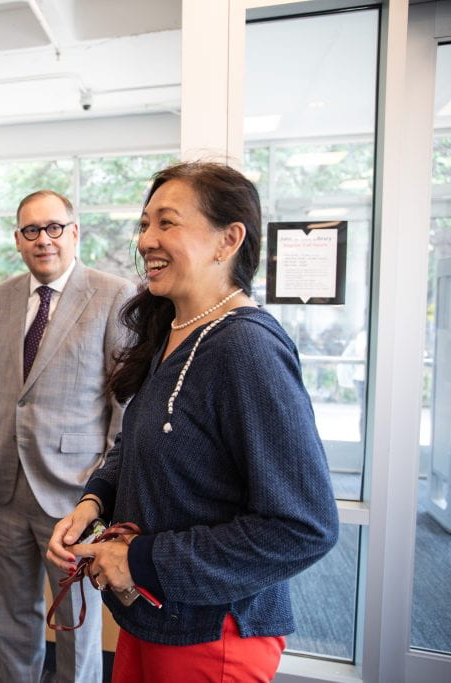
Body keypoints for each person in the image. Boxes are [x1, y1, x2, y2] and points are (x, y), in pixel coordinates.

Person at [46, 162, 339, 682]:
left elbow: (303, 526)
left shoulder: (246, 349)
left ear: (227, 240)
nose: (146, 240)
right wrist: (93, 502)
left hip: (212, 638)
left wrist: (140, 561)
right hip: (153, 619)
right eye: (143, 224)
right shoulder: (174, 330)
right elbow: (137, 443)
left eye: (167, 223)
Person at [0, 189, 134, 682]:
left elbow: (123, 405)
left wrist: (101, 493)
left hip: (73, 497)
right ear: (19, 241)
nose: (44, 239)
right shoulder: (3, 295)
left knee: (75, 623)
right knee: (12, 617)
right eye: (31, 230)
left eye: (54, 227)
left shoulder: (113, 294)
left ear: (74, 232)